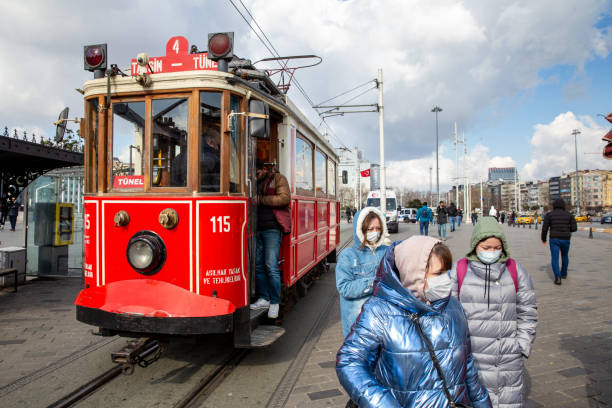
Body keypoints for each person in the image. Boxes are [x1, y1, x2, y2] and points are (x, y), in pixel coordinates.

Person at [336, 236, 492, 408]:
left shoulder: (452, 306)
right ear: (414, 274)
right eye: (438, 273)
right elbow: (350, 362)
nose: (446, 279)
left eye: (447, 271)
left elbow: (468, 366)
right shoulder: (379, 311)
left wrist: (482, 403)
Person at [450, 217, 538, 407]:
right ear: (475, 246)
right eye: (486, 247)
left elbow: (528, 310)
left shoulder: (515, 270)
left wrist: (522, 344)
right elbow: (449, 314)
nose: (492, 252)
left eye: (496, 248)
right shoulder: (459, 270)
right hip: (472, 357)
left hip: (507, 358)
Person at [335, 207, 388, 338]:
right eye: (370, 229)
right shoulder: (348, 255)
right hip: (359, 329)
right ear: (361, 230)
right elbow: (345, 288)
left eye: (378, 228)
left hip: (385, 326)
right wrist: (375, 282)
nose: (375, 232)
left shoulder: (388, 252)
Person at [250, 161, 291, 319]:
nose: (256, 175)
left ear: (265, 169)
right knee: (258, 266)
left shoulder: (279, 179)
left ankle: (274, 302)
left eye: (258, 172)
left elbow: (284, 199)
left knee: (271, 266)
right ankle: (264, 298)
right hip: (258, 229)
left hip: (272, 229)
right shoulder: (256, 182)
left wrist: (260, 200)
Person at [541, 198, 577, 285]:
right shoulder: (569, 215)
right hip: (566, 239)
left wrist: (544, 239)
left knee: (555, 258)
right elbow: (574, 228)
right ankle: (564, 273)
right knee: (565, 256)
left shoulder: (549, 215)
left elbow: (545, 228)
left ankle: (557, 277)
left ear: (554, 205)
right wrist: (567, 230)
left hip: (554, 239)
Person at [201, 127, 221, 192]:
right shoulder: (213, 159)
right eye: (218, 145)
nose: (218, 148)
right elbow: (218, 187)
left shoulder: (179, 157)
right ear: (210, 141)